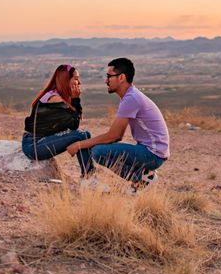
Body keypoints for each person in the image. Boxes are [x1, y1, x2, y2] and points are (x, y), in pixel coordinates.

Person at [67, 58, 169, 191]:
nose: (106, 81)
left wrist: (79, 145)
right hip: (153, 151)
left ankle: (143, 178)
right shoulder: (131, 96)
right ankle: (143, 177)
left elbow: (115, 136)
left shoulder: (131, 99)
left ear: (121, 77)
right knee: (100, 149)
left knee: (98, 152)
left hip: (153, 154)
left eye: (109, 76)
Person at [22, 64, 91, 165]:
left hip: (40, 140)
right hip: (34, 145)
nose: (79, 82)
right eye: (76, 79)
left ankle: (88, 173)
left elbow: (72, 123)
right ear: (66, 80)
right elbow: (74, 125)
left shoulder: (57, 95)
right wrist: (76, 99)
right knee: (82, 135)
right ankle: (88, 176)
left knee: (86, 134)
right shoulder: (54, 98)